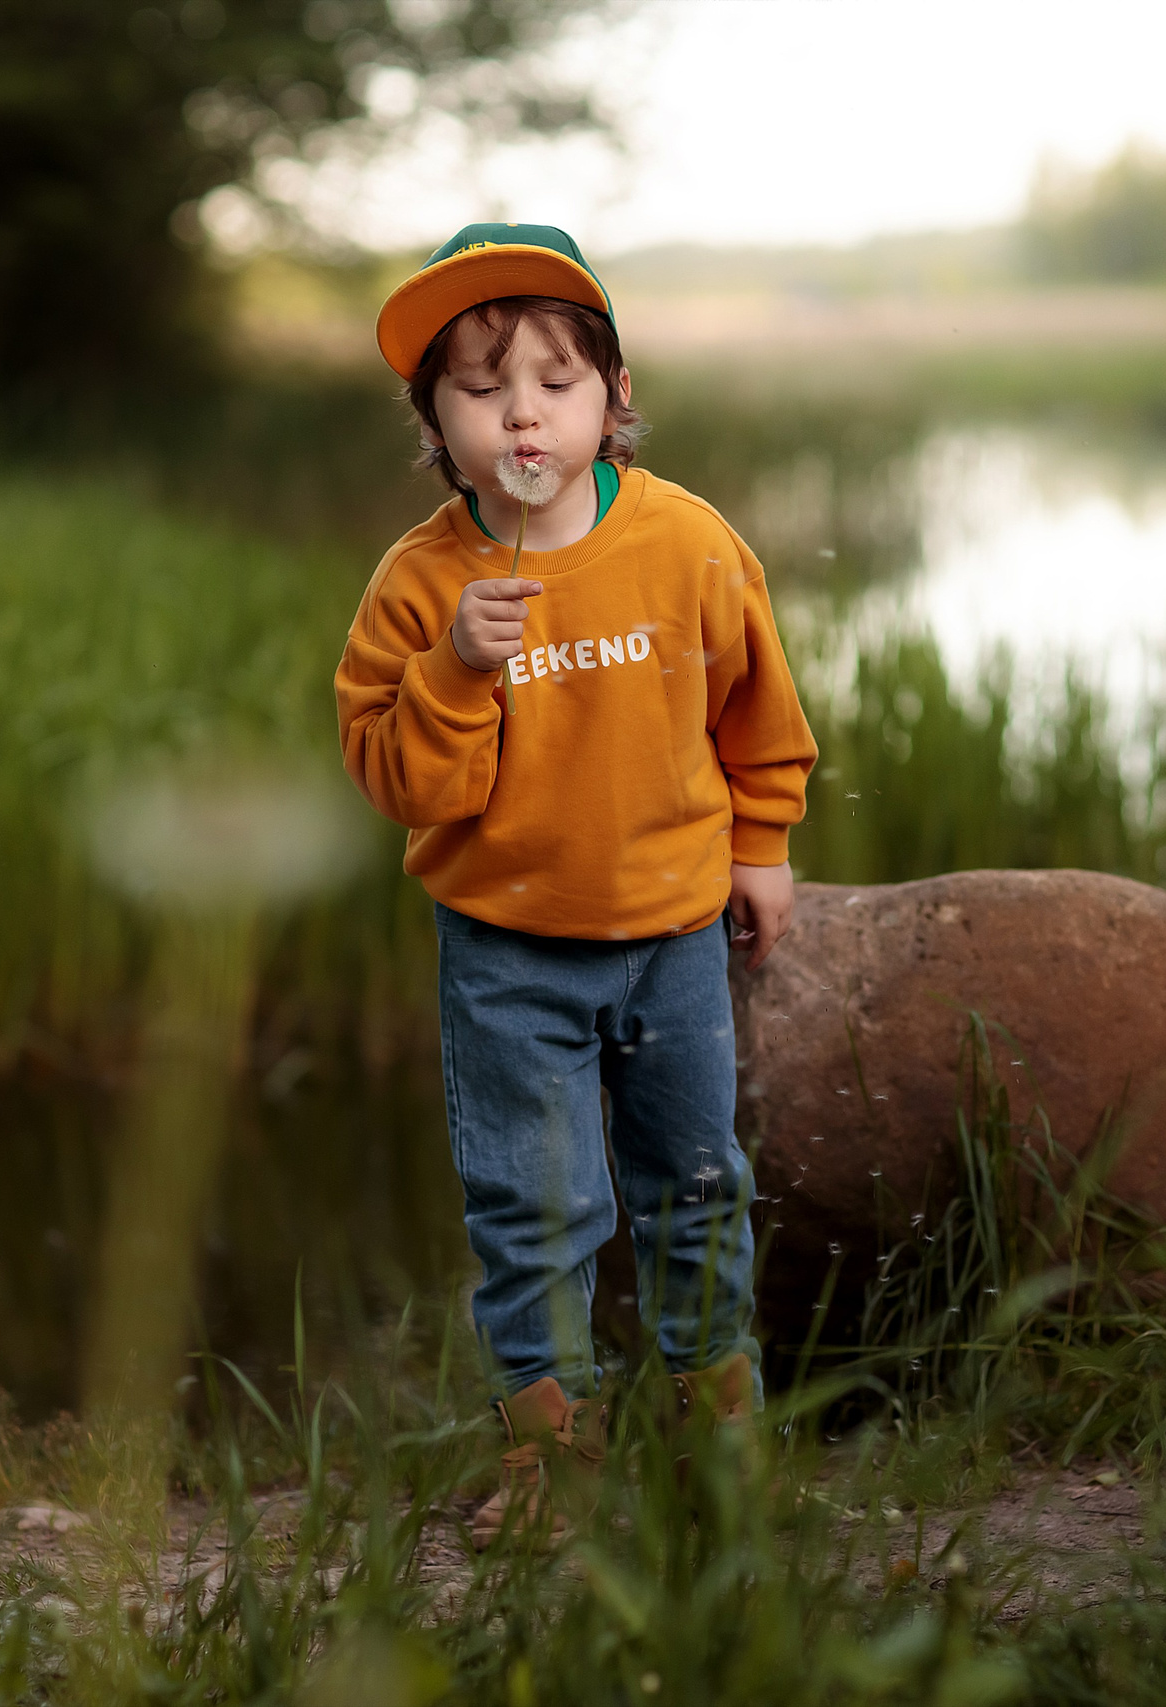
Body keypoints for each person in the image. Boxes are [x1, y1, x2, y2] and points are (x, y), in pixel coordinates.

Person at [334, 224, 818, 1547]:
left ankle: (723, 1443)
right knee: (536, 1209)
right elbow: (398, 779)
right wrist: (453, 674)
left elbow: (756, 709)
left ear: (611, 399)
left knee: (697, 1183)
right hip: (507, 951)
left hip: (671, 932)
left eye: (554, 379)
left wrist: (762, 845)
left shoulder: (685, 544)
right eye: (482, 390)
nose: (522, 413)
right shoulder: (422, 583)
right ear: (439, 423)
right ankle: (555, 1466)